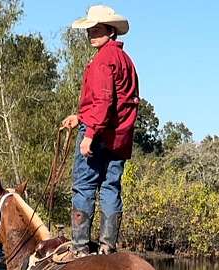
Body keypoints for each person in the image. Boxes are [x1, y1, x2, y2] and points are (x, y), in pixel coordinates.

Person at [61, 5, 140, 257]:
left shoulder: (103, 60)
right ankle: (107, 247)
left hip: (99, 135)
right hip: (119, 137)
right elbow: (116, 102)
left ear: (110, 31)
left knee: (83, 186)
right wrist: (80, 116)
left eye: (97, 29)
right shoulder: (126, 61)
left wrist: (90, 133)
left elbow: (104, 101)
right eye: (89, 30)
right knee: (110, 187)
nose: (91, 34)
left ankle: (80, 248)